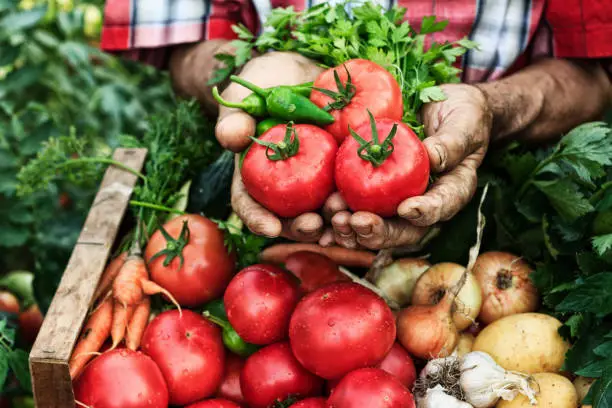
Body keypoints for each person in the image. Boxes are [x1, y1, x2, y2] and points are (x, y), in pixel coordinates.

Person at [101, 0, 612, 250]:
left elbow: (593, 71)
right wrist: (252, 87)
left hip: (496, 216)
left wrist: (492, 107)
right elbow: (186, 40)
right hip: (271, 226)